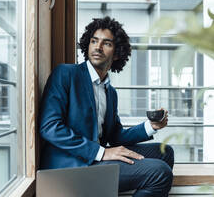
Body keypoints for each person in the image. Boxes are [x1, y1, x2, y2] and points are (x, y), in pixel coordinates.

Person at [39, 16, 174, 197]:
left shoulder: (110, 93)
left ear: (117, 53)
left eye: (106, 43)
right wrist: (101, 152)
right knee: (159, 172)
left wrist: (151, 126)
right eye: (94, 41)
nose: (98, 47)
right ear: (87, 44)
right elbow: (49, 127)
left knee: (165, 153)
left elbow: (115, 136)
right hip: (70, 168)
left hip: (95, 161)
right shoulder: (66, 74)